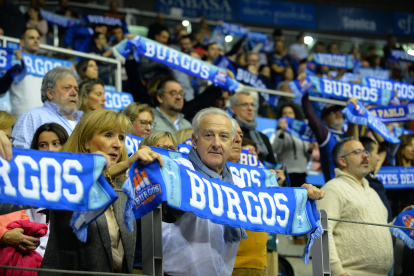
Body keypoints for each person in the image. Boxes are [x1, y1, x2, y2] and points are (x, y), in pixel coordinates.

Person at [40, 109, 163, 274]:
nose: (117, 144)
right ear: (85, 142)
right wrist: (127, 163)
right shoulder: (67, 176)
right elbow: (85, 180)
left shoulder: (122, 186)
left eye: (121, 137)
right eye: (108, 135)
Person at [316, 137, 393, 276]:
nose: (365, 155)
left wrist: (401, 221)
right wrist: (339, 273)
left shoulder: (373, 192)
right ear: (343, 161)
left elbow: (382, 232)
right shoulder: (333, 189)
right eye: (358, 152)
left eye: (365, 151)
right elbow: (321, 234)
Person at [12, 66, 83, 149]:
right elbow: (20, 154)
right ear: (50, 93)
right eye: (67, 88)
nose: (74, 93)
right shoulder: (32, 117)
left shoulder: (84, 120)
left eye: (76, 89)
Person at [0, 111, 40, 255]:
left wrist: (28, 230)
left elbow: (20, 213)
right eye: (5, 138)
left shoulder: (11, 173)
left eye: (10, 139)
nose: (8, 144)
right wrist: (3, 235)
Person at [27, 123, 69, 257]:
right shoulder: (28, 182)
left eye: (56, 144)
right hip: (36, 255)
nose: (50, 149)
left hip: (68, 255)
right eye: (43, 145)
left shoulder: (76, 180)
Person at [272, 103, 313, 187]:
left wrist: (310, 150)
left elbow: (306, 159)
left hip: (302, 173)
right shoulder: (279, 133)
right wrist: (282, 132)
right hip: (286, 173)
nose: (287, 115)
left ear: (295, 115)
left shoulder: (301, 135)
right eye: (284, 113)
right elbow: (275, 149)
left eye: (290, 113)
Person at [231, 92, 276, 164]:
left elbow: (272, 164)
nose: (250, 108)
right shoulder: (228, 134)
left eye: (252, 104)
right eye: (245, 104)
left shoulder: (263, 137)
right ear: (233, 109)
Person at [9, 28, 42, 118]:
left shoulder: (45, 63)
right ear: (22, 42)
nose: (36, 41)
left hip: (41, 117)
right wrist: (15, 63)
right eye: (31, 38)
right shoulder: (13, 61)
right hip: (20, 116)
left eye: (38, 38)